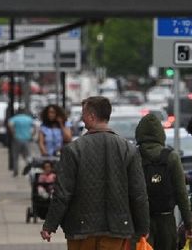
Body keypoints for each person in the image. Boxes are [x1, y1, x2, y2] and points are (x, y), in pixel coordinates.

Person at [40, 96, 151, 247]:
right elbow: (138, 193)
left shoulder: (73, 150)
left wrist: (50, 225)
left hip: (80, 228)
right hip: (117, 227)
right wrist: (143, 226)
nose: (82, 118)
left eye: (83, 114)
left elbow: (62, 193)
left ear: (92, 117)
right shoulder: (128, 149)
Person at [135, 114, 192, 250]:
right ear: (160, 134)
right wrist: (189, 225)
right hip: (166, 221)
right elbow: (181, 193)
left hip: (140, 223)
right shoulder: (171, 157)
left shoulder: (134, 156)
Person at [7, 106, 36, 176]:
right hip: (27, 139)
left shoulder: (14, 118)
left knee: (15, 156)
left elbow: (10, 125)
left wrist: (13, 133)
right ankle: (29, 169)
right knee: (27, 156)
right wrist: (32, 135)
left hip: (17, 138)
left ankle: (15, 172)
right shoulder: (29, 118)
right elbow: (35, 126)